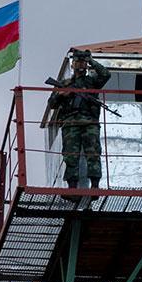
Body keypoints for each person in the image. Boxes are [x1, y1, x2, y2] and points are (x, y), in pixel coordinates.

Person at [50, 49, 111, 191]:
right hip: (71, 123)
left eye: (82, 62)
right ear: (73, 65)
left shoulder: (92, 81)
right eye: (77, 62)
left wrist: (91, 60)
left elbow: (106, 75)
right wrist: (61, 95)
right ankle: (72, 187)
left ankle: (95, 186)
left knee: (93, 153)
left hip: (90, 122)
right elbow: (52, 104)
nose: (80, 65)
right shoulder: (64, 83)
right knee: (70, 155)